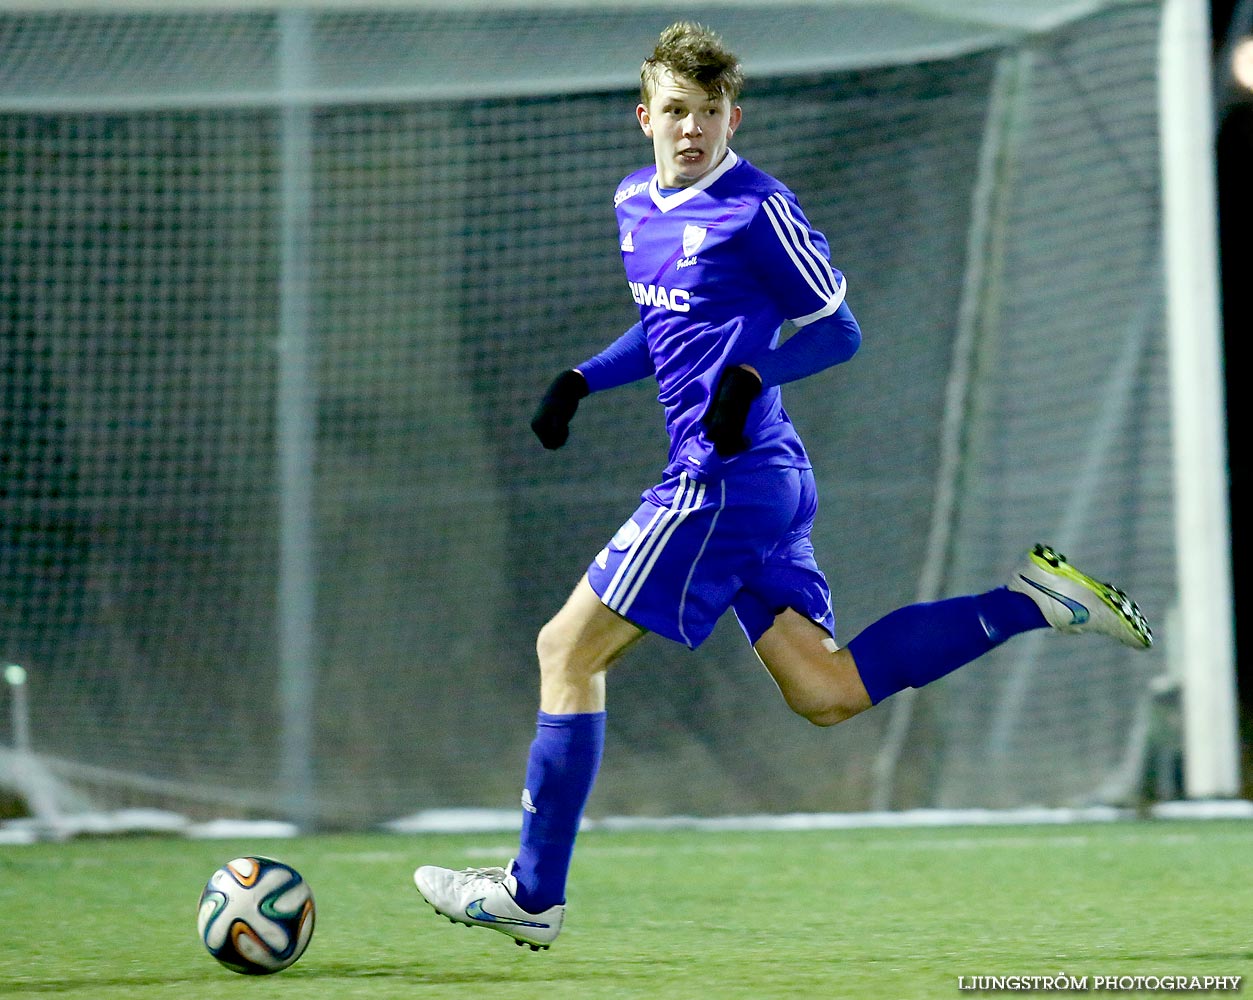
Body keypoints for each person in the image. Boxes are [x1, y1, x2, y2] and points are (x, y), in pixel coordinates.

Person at [413, 21, 1152, 951]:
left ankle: (531, 891)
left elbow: (837, 330)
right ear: (644, 116)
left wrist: (755, 375)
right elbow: (667, 325)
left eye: (710, 112)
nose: (692, 129)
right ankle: (1029, 603)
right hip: (756, 484)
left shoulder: (757, 207)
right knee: (827, 692)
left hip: (728, 476)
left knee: (566, 651)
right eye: (676, 111)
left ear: (732, 116)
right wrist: (583, 378)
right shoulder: (633, 202)